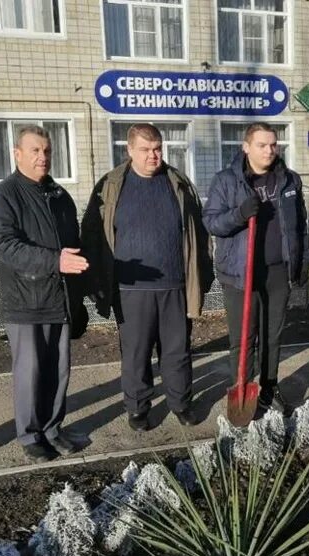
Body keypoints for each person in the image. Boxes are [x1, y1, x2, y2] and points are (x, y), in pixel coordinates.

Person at [81, 123, 213, 432]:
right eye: (145, 150)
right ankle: (138, 409)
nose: (153, 156)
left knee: (178, 352)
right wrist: (95, 282)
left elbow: (198, 233)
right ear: (129, 150)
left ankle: (181, 404)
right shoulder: (111, 186)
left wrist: (202, 276)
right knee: (136, 354)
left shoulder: (177, 182)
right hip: (130, 289)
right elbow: (91, 234)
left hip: (175, 285)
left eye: (157, 149)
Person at [0, 125, 89, 463]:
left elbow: (74, 244)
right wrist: (55, 261)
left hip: (58, 299)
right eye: (35, 150)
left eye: (47, 151)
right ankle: (30, 435)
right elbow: (6, 246)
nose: (43, 157)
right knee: (30, 373)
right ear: (17, 154)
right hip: (25, 300)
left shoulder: (58, 195)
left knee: (58, 371)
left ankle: (53, 428)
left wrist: (79, 293)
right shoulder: (3, 196)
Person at [202, 122, 308, 416]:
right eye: (262, 145)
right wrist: (238, 214)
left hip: (277, 272)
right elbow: (211, 222)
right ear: (246, 147)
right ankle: (243, 387)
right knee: (244, 339)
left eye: (273, 144)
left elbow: (300, 226)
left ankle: (269, 390)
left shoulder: (288, 180)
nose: (270, 150)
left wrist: (300, 264)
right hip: (241, 274)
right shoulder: (227, 181)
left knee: (273, 336)